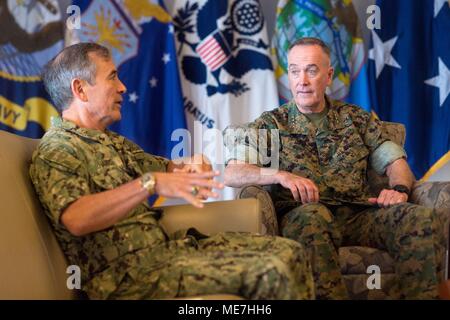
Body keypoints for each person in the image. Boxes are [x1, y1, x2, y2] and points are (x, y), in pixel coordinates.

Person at [29, 42, 315, 300]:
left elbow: (167, 168)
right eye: (112, 77)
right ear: (80, 89)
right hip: (127, 277)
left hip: (166, 252)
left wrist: (190, 164)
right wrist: (148, 184)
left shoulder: (111, 142)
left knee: (290, 251)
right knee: (272, 270)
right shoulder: (57, 149)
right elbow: (76, 219)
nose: (123, 88)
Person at [224, 37, 447, 299]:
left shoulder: (357, 119)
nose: (302, 81)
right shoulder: (270, 124)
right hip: (303, 216)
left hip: (357, 215)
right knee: (313, 219)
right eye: (294, 71)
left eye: (311, 70)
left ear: (328, 76)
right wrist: (280, 175)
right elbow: (233, 173)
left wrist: (398, 189)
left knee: (417, 218)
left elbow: (396, 163)